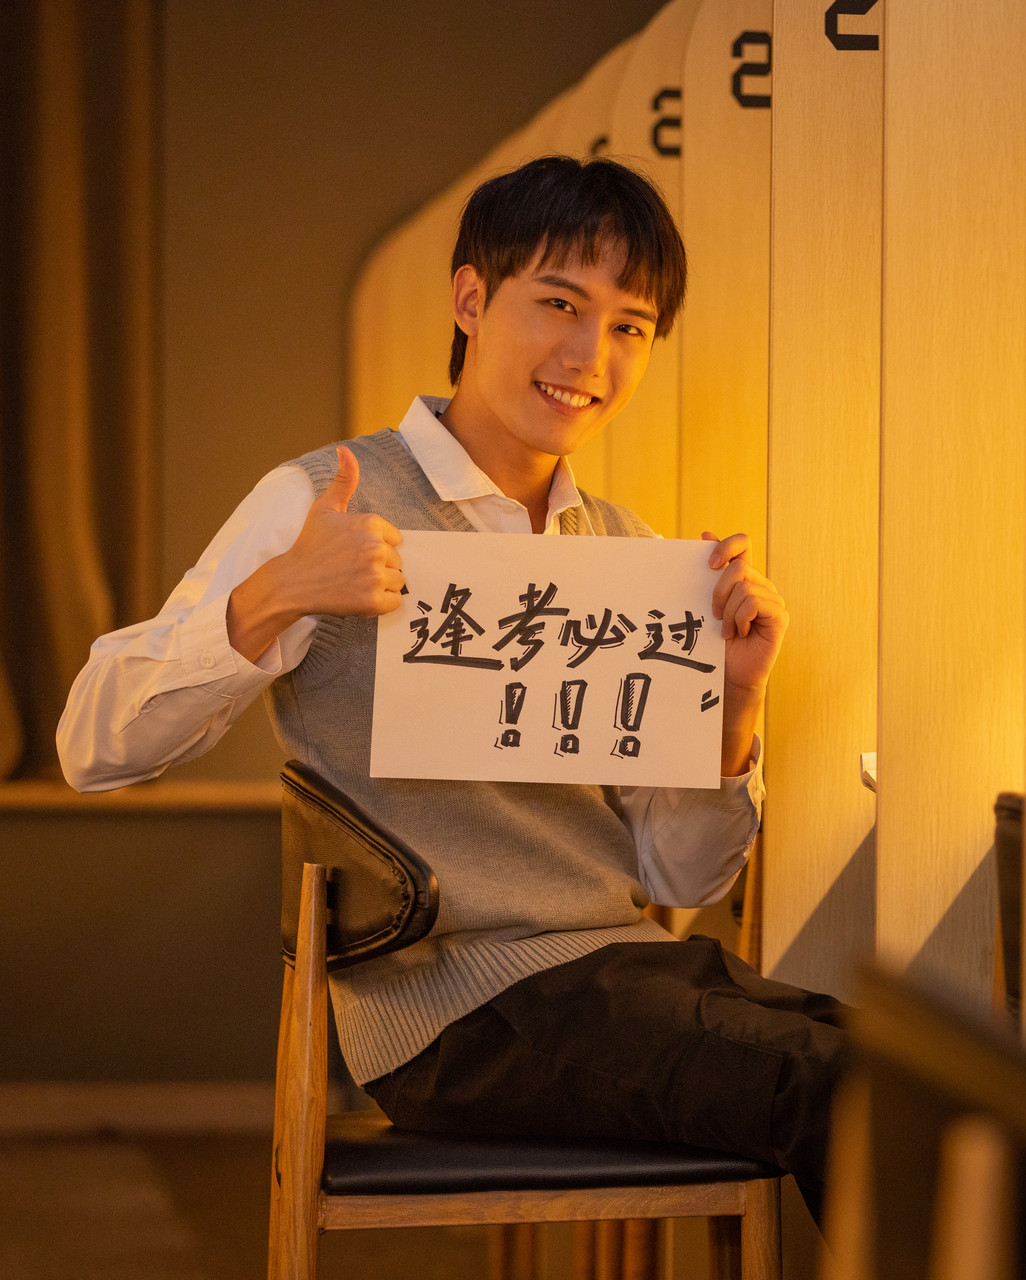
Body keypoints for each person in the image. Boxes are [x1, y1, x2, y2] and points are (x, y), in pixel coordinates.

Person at [57, 156, 845, 1215]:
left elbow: (682, 873)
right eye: (559, 304)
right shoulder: (326, 501)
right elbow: (93, 746)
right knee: (834, 1087)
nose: (590, 355)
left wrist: (734, 701)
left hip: (625, 972)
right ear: (471, 298)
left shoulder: (630, 555)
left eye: (629, 325)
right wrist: (279, 593)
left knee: (914, 1068)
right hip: (449, 1013)